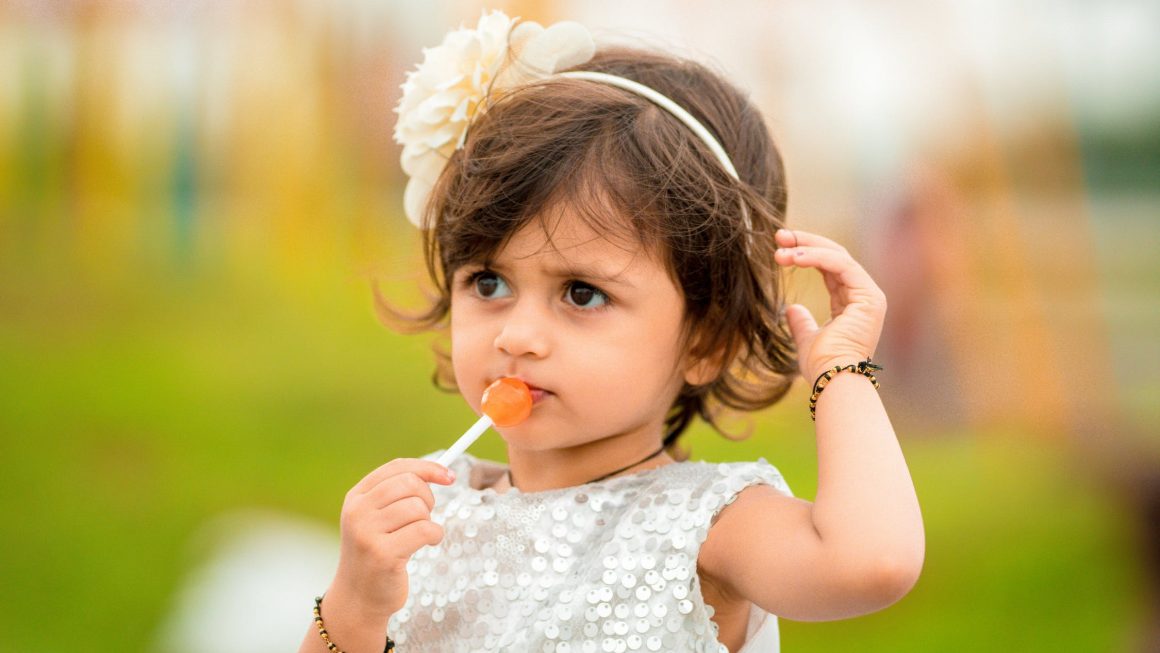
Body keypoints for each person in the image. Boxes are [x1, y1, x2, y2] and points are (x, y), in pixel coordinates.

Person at [300, 10, 924, 653]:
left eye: (581, 294)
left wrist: (840, 368)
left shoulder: (708, 525)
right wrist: (352, 606)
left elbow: (872, 564)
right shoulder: (432, 511)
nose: (518, 335)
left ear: (705, 342)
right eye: (489, 283)